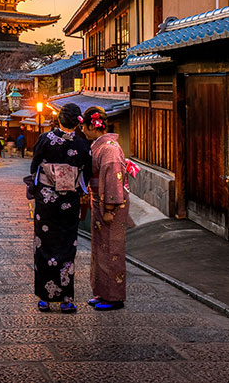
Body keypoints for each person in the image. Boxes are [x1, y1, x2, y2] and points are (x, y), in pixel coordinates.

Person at [28, 102, 91, 313]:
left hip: (46, 201)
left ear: (59, 119)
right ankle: (66, 299)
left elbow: (34, 166)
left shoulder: (45, 139)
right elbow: (86, 173)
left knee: (44, 245)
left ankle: (44, 299)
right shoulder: (83, 145)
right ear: (78, 121)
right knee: (66, 246)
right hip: (69, 201)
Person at [82, 106, 137, 310]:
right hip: (100, 201)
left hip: (110, 205)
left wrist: (109, 209)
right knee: (100, 247)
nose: (83, 131)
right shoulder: (101, 146)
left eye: (84, 127)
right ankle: (102, 292)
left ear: (91, 125)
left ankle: (114, 297)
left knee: (112, 249)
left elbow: (114, 180)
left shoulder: (110, 149)